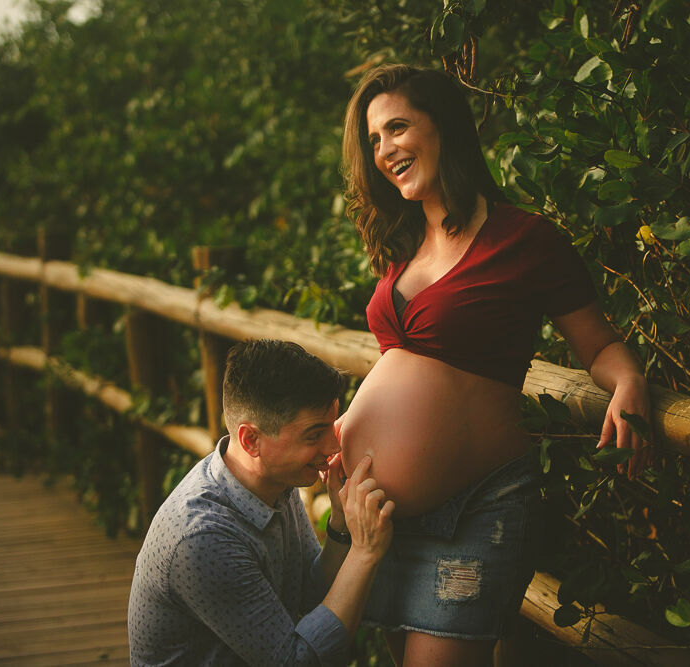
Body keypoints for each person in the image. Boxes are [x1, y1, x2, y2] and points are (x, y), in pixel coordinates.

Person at [337, 65, 652, 666]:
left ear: (444, 124)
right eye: (373, 140)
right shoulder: (399, 246)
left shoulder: (525, 240)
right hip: (380, 517)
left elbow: (598, 344)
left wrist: (630, 379)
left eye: (397, 128)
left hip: (474, 511)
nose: (383, 151)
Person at [127, 339, 394, 666]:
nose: (332, 447)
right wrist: (364, 553)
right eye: (314, 435)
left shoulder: (274, 483)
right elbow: (296, 661)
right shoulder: (202, 539)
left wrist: (339, 525)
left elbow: (309, 599)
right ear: (251, 440)